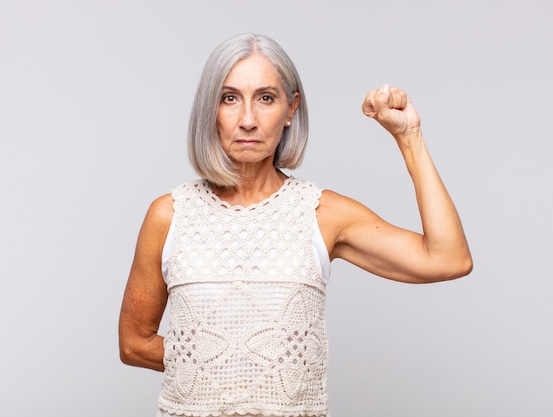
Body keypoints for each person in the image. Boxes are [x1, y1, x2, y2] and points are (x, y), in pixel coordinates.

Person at [118, 33, 472, 417]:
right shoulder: (171, 215)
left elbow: (448, 259)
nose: (248, 120)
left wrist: (409, 137)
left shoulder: (322, 213)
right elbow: (134, 343)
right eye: (229, 98)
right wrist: (230, 368)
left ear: (291, 109)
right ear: (210, 109)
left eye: (266, 98)